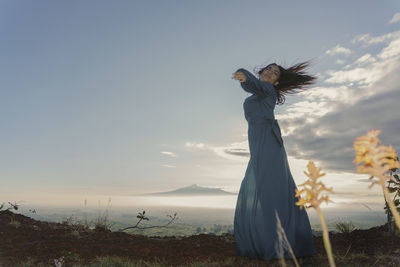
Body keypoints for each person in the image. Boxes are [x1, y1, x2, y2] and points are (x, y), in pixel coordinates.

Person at [231, 61, 317, 260]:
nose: (270, 72)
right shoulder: (257, 94)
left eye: (275, 72)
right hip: (259, 142)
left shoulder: (268, 90)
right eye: (268, 69)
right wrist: (246, 79)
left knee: (270, 192)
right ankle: (277, 241)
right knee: (269, 189)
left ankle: (278, 246)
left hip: (268, 144)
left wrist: (243, 74)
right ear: (261, 72)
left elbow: (253, 85)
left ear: (276, 82)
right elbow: (253, 87)